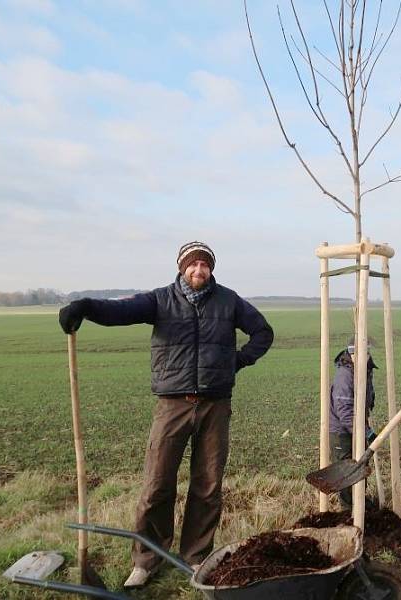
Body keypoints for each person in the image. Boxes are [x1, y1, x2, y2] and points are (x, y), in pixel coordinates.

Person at [58, 241, 274, 588]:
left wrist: (237, 361)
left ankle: (196, 557)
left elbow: (263, 332)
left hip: (215, 405)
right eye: (193, 264)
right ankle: (146, 559)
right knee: (157, 483)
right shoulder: (160, 300)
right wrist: (84, 307)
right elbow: (119, 312)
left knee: (207, 485)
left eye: (205, 265)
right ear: (181, 267)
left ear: (211, 270)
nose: (199, 270)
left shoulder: (229, 301)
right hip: (172, 403)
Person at [329, 336, 377, 509]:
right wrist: (366, 432)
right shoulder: (345, 375)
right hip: (342, 431)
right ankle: (349, 510)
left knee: (360, 465)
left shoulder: (364, 368)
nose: (367, 355)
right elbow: (345, 412)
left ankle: (360, 502)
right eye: (363, 352)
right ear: (352, 353)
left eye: (368, 351)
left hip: (358, 425)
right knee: (346, 470)